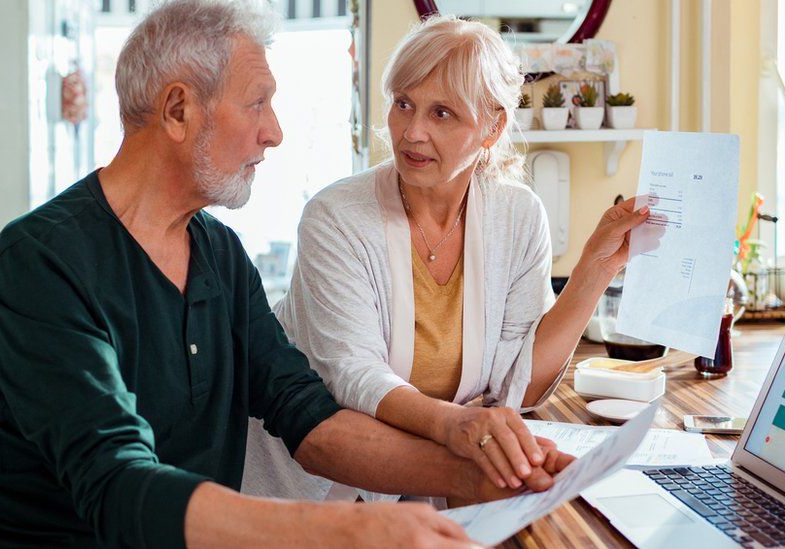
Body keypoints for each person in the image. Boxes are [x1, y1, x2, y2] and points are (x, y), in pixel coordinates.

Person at [0, 1, 573, 547]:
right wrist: (346, 530)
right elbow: (116, 484)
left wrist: (488, 470)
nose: (275, 131)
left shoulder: (219, 255)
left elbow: (309, 420)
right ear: (179, 110)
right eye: (257, 102)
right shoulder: (41, 263)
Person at [244, 15, 663, 501]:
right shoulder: (335, 218)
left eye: (442, 113)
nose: (412, 132)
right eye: (403, 104)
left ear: (492, 126)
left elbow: (517, 384)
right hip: (312, 494)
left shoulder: (518, 216)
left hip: (426, 486)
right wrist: (459, 426)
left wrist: (597, 266)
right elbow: (353, 374)